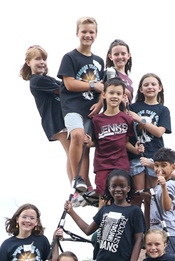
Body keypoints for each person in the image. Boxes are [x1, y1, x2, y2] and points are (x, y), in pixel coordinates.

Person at [58, 16, 104, 194]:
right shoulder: (70, 57)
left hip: (91, 111)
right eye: (84, 31)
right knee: (77, 135)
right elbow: (69, 83)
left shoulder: (99, 61)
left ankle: (86, 184)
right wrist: (92, 85)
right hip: (73, 108)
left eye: (91, 32)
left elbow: (103, 88)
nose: (87, 35)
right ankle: (76, 178)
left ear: (96, 35)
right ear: (77, 33)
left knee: (87, 145)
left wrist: (100, 103)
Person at [20, 45, 68, 181]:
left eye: (44, 59)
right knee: (71, 153)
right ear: (29, 62)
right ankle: (77, 186)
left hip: (61, 120)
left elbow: (64, 84)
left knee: (73, 152)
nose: (42, 62)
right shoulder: (37, 81)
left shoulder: (48, 79)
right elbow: (64, 89)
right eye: (37, 59)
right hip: (56, 121)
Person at [90, 78, 138, 205]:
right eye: (111, 93)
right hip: (102, 165)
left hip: (121, 164)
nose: (114, 96)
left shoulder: (127, 119)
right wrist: (88, 142)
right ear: (104, 94)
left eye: (118, 94)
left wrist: (136, 150)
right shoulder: (96, 120)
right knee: (104, 198)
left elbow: (126, 143)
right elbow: (96, 142)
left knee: (121, 199)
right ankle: (101, 224)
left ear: (123, 96)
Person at [131, 73, 171, 219]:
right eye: (146, 85)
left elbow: (159, 132)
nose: (150, 87)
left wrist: (140, 120)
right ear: (140, 89)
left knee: (150, 196)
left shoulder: (163, 110)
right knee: (137, 195)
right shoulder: (133, 107)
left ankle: (149, 232)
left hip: (155, 157)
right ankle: (136, 232)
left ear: (159, 88)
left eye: (153, 84)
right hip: (136, 156)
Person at [147, 148, 175, 258]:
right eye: (156, 166)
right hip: (156, 233)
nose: (159, 169)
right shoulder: (158, 185)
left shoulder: (169, 184)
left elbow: (167, 207)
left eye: (163, 165)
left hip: (168, 234)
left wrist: (164, 186)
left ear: (172, 167)